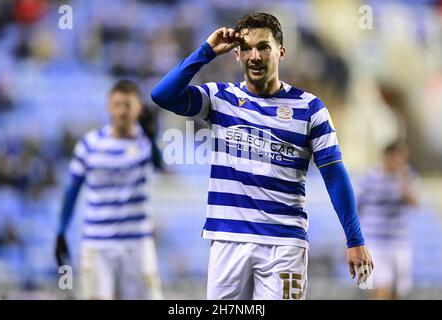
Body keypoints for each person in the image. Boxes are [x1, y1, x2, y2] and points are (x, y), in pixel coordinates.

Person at [151, 12, 373, 300]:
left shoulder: (310, 108)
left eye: (264, 47)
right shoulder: (220, 99)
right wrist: (206, 52)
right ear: (236, 55)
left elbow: (334, 175)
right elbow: (162, 95)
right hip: (228, 239)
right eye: (246, 48)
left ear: (280, 53)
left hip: (284, 245)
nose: (254, 56)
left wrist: (354, 238)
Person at [55, 79, 162, 300]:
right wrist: (61, 229)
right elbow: (71, 190)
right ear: (108, 107)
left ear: (138, 108)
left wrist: (152, 138)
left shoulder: (144, 143)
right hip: (98, 242)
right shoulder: (89, 144)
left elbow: (161, 167)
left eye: (128, 105)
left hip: (137, 244)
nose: (122, 111)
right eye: (117, 104)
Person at [357, 141, 418, 299]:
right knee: (381, 287)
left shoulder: (407, 176)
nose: (402, 161)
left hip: (399, 242)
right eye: (399, 157)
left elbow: (414, 202)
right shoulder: (371, 176)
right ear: (389, 156)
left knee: (398, 292)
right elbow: (357, 205)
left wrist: (402, 181)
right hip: (375, 241)